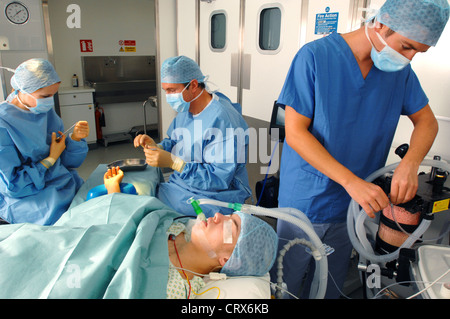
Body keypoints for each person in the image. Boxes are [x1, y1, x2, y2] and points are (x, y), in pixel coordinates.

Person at [272, 0, 449, 298]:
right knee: (285, 278)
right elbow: (295, 133)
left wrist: (409, 164)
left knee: (332, 281)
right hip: (308, 195)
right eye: (406, 46)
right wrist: (350, 181)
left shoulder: (399, 72)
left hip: (355, 205)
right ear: (381, 24)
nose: (408, 58)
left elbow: (428, 122)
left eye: (418, 52)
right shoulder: (316, 57)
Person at [101, 166, 278, 299]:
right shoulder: (178, 227)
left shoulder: (176, 289)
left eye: (229, 225)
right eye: (227, 215)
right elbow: (127, 226)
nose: (217, 215)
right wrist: (114, 194)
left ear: (226, 259)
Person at [134, 56, 251, 217]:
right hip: (183, 186)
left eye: (172, 90)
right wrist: (158, 147)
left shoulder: (224, 120)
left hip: (214, 197)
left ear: (193, 85)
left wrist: (174, 163)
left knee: (150, 216)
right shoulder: (187, 111)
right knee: (139, 201)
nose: (168, 96)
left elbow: (218, 178)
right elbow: (176, 140)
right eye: (165, 90)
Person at [0, 58, 90, 225]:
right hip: (31, 198)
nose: (49, 101)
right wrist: (50, 160)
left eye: (52, 95)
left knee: (95, 207)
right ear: (23, 90)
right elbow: (14, 186)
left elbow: (69, 164)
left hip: (63, 183)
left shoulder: (45, 113)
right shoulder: (3, 125)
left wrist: (75, 140)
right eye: (45, 96)